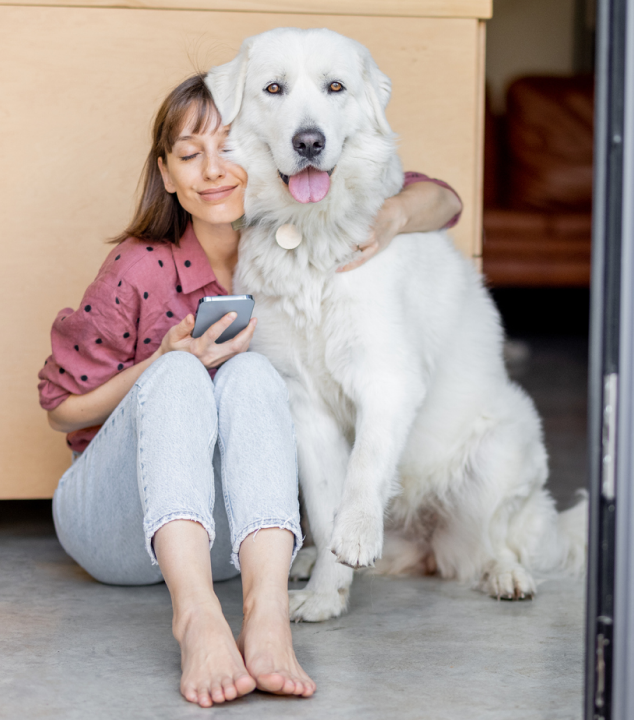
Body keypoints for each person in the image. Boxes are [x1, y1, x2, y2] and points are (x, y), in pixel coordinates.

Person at [36, 74, 462, 708]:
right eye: (189, 155)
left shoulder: (301, 237)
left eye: (229, 148)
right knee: (180, 373)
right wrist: (159, 360)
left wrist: (393, 216)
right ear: (168, 173)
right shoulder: (139, 265)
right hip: (113, 528)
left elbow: (445, 200)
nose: (214, 171)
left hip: (231, 540)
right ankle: (197, 619)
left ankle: (267, 618)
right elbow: (61, 410)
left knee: (257, 371)